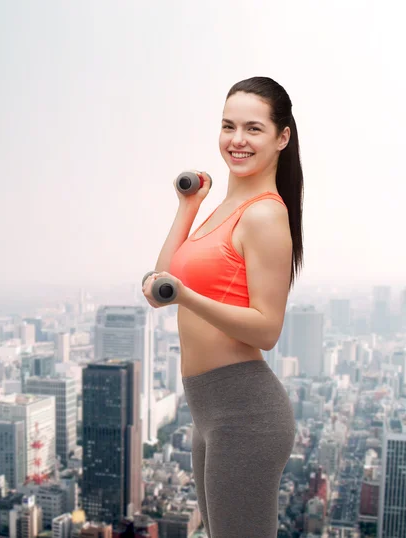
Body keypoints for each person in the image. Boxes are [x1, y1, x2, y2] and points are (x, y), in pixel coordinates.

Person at [142, 76, 303, 538]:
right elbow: (159, 287)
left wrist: (187, 296)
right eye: (228, 126)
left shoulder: (266, 214)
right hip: (209, 412)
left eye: (253, 128)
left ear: (282, 137)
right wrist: (188, 205)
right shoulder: (222, 209)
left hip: (246, 413)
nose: (237, 140)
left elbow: (266, 329)